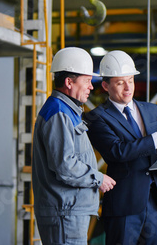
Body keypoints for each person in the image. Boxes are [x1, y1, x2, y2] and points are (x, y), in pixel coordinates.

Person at [85, 50, 157, 245]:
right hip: (124, 206)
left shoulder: (152, 110)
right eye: (120, 83)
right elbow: (118, 152)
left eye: (131, 81)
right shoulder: (96, 117)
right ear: (105, 85)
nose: (128, 88)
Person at [32, 47, 116, 245]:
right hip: (65, 212)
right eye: (86, 81)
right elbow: (65, 167)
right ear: (69, 82)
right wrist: (98, 178)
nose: (91, 87)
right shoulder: (59, 113)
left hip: (68, 211)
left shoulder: (67, 111)